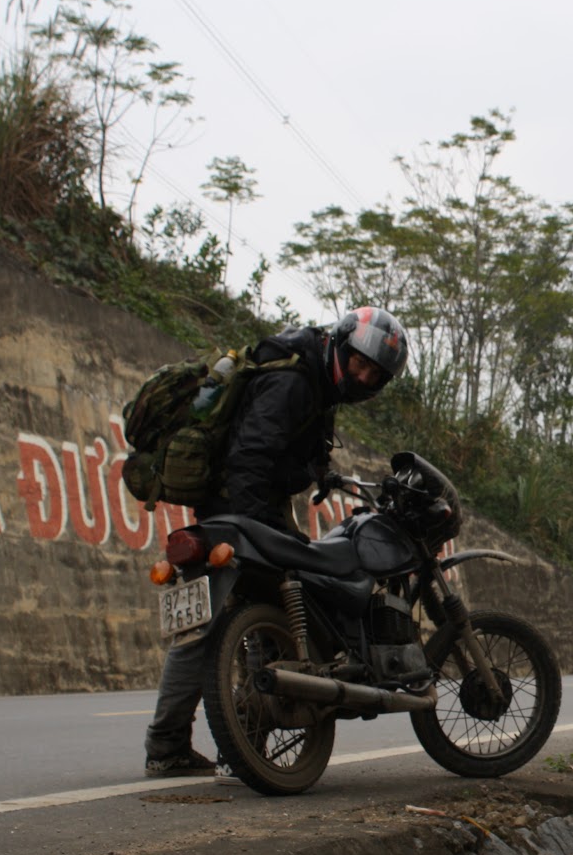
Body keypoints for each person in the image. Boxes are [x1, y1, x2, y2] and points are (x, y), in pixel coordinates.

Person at [143, 307, 409, 777]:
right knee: (253, 610)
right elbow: (251, 453)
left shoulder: (312, 375)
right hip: (241, 505)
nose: (363, 375)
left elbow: (287, 452)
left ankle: (235, 738)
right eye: (359, 362)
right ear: (341, 346)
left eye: (374, 373)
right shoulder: (295, 381)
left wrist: (318, 472)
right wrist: (253, 533)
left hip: (237, 502)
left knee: (220, 623)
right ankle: (183, 743)